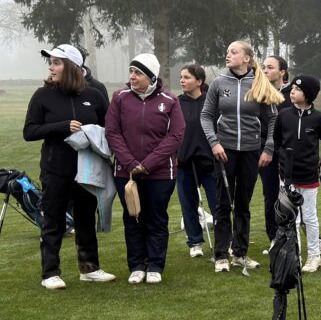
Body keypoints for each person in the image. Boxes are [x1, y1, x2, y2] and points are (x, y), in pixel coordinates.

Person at [23, 44, 115, 290]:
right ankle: (50, 273)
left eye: (57, 63)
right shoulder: (42, 95)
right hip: (56, 169)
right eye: (50, 63)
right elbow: (29, 131)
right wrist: (62, 126)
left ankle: (90, 268)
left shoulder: (94, 95)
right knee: (54, 220)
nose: (51, 68)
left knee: (86, 217)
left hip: (88, 170)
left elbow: (109, 129)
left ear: (72, 66)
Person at [200, 41, 283, 273]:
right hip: (224, 151)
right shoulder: (218, 82)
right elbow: (206, 116)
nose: (228, 55)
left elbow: (274, 118)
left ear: (247, 58)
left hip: (251, 151)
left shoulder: (259, 81)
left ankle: (240, 253)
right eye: (227, 52)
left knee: (243, 204)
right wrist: (214, 143)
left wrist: (268, 148)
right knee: (223, 203)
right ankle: (220, 255)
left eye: (233, 52)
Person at [105, 54, 184, 284]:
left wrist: (147, 164)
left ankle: (155, 265)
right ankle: (137, 265)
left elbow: (176, 135)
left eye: (138, 73)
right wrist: (131, 163)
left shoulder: (170, 100)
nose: (132, 76)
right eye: (131, 71)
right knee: (133, 217)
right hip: (126, 172)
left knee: (156, 217)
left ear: (151, 77)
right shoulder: (119, 97)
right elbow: (112, 131)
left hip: (160, 173)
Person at [268, 75, 321, 273]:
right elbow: (278, 140)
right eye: (292, 90)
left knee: (309, 217)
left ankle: (314, 256)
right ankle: (294, 256)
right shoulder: (284, 115)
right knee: (292, 219)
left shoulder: (319, 118)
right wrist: (282, 164)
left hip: (309, 175)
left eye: (297, 90)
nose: (292, 93)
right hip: (287, 176)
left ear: (308, 95)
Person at [175, 64, 219, 259]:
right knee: (188, 204)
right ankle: (195, 241)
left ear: (199, 81)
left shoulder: (212, 101)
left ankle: (225, 240)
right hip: (184, 162)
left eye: (187, 77)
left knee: (218, 204)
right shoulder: (176, 103)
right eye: (181, 77)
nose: (182, 81)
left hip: (210, 162)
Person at [260, 55, 292, 249]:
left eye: (270, 67)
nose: (265, 71)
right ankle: (273, 236)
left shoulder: (292, 94)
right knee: (270, 194)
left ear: (282, 72)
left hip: (289, 152)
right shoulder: (259, 94)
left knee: (292, 194)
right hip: (265, 151)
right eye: (264, 67)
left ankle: (304, 233)